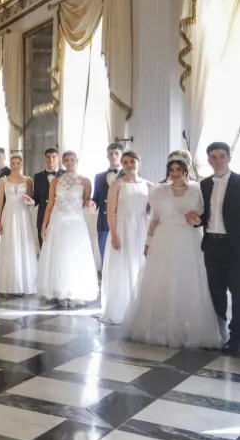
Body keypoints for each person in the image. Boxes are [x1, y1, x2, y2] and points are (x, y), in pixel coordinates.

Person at [123, 151, 226, 349]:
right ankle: (161, 327)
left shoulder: (197, 190)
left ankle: (188, 327)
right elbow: (154, 219)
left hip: (188, 239)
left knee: (188, 280)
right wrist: (148, 242)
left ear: (185, 170)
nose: (175, 173)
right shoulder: (158, 191)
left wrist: (196, 219)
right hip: (164, 237)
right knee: (163, 279)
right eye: (171, 170)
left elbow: (205, 216)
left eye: (179, 169)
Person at [190, 141, 240, 353]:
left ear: (229, 157)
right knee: (215, 292)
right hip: (211, 245)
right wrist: (197, 220)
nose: (217, 160)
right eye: (213, 157)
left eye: (221, 156)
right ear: (209, 160)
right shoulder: (205, 184)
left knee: (237, 293)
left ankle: (236, 339)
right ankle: (218, 335)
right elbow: (208, 215)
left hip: (234, 247)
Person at [36, 151, 98, 307]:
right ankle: (59, 291)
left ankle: (74, 291)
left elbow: (86, 202)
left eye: (71, 159)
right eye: (66, 160)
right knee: (59, 256)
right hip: (57, 221)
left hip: (76, 222)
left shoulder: (85, 181)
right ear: (62, 162)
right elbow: (50, 204)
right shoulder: (56, 181)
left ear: (77, 160)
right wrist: (44, 224)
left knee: (74, 256)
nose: (69, 162)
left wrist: (90, 204)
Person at [99, 151, 151, 324]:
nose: (129, 165)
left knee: (139, 266)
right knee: (122, 267)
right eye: (126, 162)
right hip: (122, 229)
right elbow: (110, 213)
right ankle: (122, 308)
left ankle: (139, 308)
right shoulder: (117, 185)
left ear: (138, 162)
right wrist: (114, 234)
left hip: (141, 229)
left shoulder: (148, 185)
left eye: (132, 161)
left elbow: (151, 211)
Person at [0, 154, 38, 296]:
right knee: (10, 244)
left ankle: (24, 283)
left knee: (23, 245)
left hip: (23, 215)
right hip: (8, 214)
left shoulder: (28, 180)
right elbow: (0, 201)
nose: (15, 166)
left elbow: (31, 199)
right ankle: (9, 283)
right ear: (10, 164)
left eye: (18, 163)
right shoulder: (3, 180)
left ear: (21, 164)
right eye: (12, 163)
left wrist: (29, 201)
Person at [92, 143, 124, 260]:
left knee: (121, 257)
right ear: (107, 156)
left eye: (116, 153)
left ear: (122, 155)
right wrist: (92, 203)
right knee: (104, 257)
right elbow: (96, 198)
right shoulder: (99, 177)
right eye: (111, 154)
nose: (113, 156)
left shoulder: (129, 175)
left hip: (122, 222)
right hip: (103, 223)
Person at [32, 148, 64, 249]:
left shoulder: (66, 175)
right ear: (44, 159)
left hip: (60, 217)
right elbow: (36, 197)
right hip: (42, 217)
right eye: (48, 157)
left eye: (54, 157)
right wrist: (31, 201)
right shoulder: (37, 177)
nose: (51, 160)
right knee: (43, 248)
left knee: (59, 248)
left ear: (58, 158)